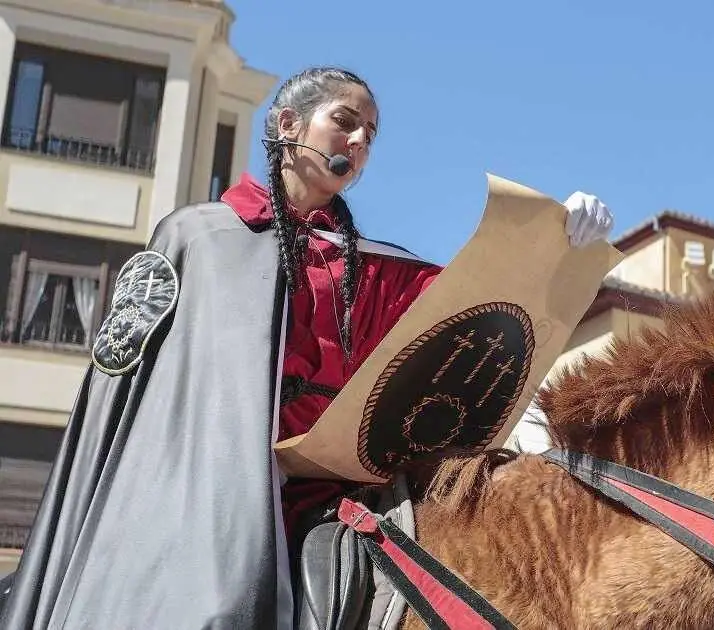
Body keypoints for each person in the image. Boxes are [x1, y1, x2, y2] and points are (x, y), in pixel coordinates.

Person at [0, 66, 614, 630]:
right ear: (288, 124)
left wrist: (561, 240)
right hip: (205, 491)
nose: (358, 143)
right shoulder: (199, 237)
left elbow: (473, 306)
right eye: (344, 123)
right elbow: (127, 385)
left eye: (370, 135)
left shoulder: (373, 268)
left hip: (335, 496)